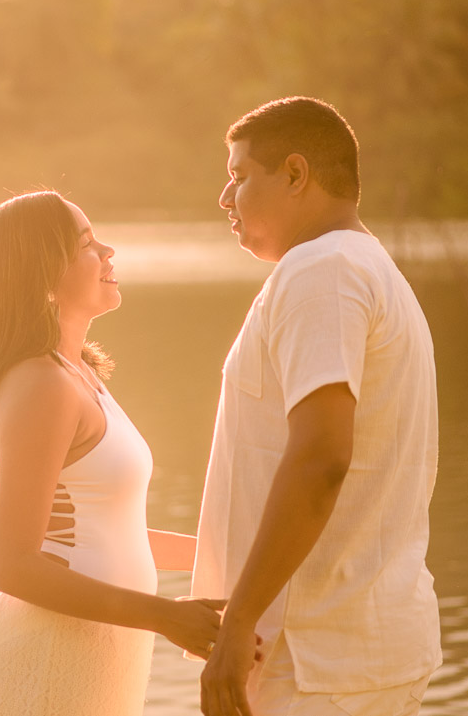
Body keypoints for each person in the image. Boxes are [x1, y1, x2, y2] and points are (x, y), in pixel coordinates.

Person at [193, 97, 443, 716]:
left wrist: (238, 622)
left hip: (318, 666)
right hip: (357, 653)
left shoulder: (321, 269)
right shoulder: (365, 267)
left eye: (239, 176)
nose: (225, 198)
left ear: (295, 174)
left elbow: (322, 458)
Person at [0, 191, 231, 716]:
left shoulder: (76, 372)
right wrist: (165, 617)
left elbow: (110, 533)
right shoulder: (41, 385)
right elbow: (11, 564)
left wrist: (237, 559)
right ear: (42, 274)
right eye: (86, 244)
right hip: (51, 654)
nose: (108, 251)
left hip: (97, 652)